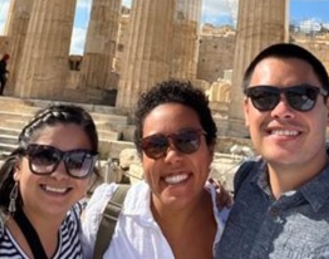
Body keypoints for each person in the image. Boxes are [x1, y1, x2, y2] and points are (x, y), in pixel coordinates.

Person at [216, 43, 329, 259]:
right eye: (263, 97)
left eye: (302, 96)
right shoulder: (245, 180)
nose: (281, 111)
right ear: (247, 112)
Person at [82, 79, 230, 258]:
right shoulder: (102, 216)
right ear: (141, 158)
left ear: (211, 150)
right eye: (155, 145)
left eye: (187, 140)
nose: (172, 156)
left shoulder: (239, 223)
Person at [0, 103, 100, 258]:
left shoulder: (74, 224)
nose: (59, 174)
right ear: (17, 168)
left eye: (77, 161)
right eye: (44, 157)